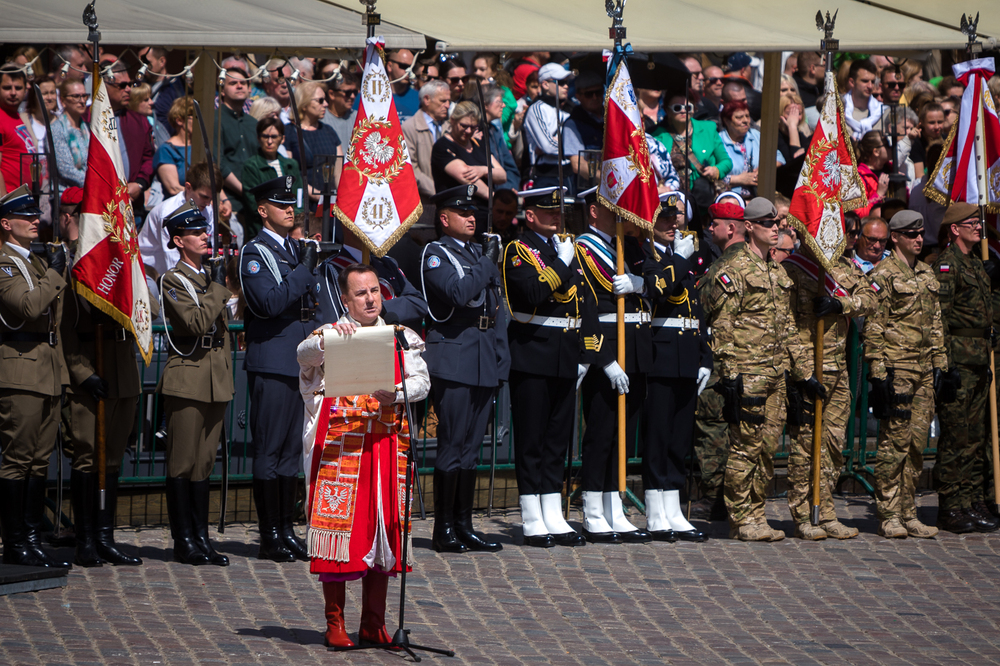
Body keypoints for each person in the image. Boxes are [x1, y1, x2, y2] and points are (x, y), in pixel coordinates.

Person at [298, 262, 429, 649]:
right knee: (340, 537)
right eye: (360, 293)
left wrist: (399, 393)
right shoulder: (331, 334)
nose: (370, 298)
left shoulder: (401, 336)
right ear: (345, 299)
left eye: (374, 291)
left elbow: (422, 382)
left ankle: (373, 622)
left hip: (387, 446)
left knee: (383, 534)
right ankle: (334, 623)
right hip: (344, 449)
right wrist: (325, 341)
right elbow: (304, 355)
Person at [502, 186, 593, 548]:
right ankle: (531, 515)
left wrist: (585, 350)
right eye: (548, 211)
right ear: (530, 215)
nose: (557, 217)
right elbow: (532, 293)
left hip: (564, 351)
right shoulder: (518, 251)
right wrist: (562, 262)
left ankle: (553, 510)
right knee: (532, 439)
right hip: (532, 352)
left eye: (560, 211)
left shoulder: (562, 247)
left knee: (558, 439)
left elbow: (580, 299)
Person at [421, 185, 509, 553]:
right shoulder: (436, 254)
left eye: (474, 212)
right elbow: (457, 294)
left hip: (483, 356)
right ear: (444, 219)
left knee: (472, 448)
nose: (473, 218)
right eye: (463, 212)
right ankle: (444, 528)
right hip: (455, 358)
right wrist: (488, 262)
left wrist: (502, 357)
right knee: (452, 443)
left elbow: (496, 306)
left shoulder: (476, 252)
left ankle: (464, 523)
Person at [702, 197, 793, 542]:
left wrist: (795, 371)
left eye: (778, 225)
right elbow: (722, 325)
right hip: (747, 372)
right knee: (745, 448)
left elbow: (785, 326)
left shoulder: (776, 271)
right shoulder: (733, 270)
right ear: (749, 227)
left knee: (767, 448)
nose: (776, 230)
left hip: (774, 373)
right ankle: (741, 518)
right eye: (769, 225)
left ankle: (757, 513)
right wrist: (730, 374)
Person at [239, 176, 321, 562]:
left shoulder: (294, 250)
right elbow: (270, 301)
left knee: (292, 451)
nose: (291, 209)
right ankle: (269, 533)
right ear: (262, 210)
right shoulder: (255, 252)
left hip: (302, 361)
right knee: (270, 449)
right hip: (273, 360)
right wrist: (304, 270)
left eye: (292, 203)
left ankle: (287, 529)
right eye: (280, 203)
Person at [783, 238, 878, 540]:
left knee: (834, 445)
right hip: (810, 368)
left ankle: (825, 510)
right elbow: (785, 325)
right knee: (805, 446)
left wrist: (842, 304)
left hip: (839, 368)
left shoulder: (845, 267)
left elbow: (871, 299)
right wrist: (802, 373)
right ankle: (802, 514)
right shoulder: (793, 269)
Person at [573, 189, 652, 544]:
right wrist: (604, 359)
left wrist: (641, 284)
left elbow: (656, 280)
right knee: (601, 434)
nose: (622, 213)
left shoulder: (630, 245)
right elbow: (585, 309)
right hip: (607, 349)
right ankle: (591, 509)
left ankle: (613, 506)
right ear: (594, 211)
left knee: (624, 432)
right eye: (612, 207)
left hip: (634, 348)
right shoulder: (583, 249)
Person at [157, 203, 233, 566]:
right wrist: (218, 286)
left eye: (205, 231)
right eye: (196, 232)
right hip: (187, 378)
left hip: (214, 378)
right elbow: (196, 322)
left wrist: (217, 285)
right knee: (182, 462)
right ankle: (182, 538)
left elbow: (225, 325)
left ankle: (201, 536)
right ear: (178, 240)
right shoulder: (173, 280)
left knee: (204, 463)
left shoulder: (207, 279)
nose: (206, 236)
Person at [864, 210, 945, 539]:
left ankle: (909, 511)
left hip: (924, 369)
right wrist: (877, 371)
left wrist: (941, 362)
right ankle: (889, 512)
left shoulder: (926, 273)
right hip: (897, 368)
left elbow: (936, 322)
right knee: (893, 444)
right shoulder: (883, 274)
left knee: (916, 445)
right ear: (894, 237)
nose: (918, 239)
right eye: (910, 234)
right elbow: (874, 324)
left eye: (921, 233)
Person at [0, 185, 69, 568]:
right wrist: (56, 274)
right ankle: (14, 542)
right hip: (20, 368)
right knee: (18, 459)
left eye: (34, 215)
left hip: (46, 369)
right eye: (25, 216)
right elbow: (28, 306)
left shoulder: (36, 263)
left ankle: (30, 537)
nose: (34, 221)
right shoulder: (5, 263)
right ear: (5, 224)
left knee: (39, 460)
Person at [641, 193, 711, 542]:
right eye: (665, 218)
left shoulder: (680, 254)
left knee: (680, 438)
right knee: (658, 436)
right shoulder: (646, 254)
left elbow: (695, 309)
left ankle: (674, 507)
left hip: (686, 353)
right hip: (660, 354)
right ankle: (655, 510)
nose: (673, 224)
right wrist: (681, 260)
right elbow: (658, 290)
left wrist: (706, 356)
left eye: (676, 218)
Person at [931, 203, 1000, 533]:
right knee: (956, 437)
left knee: (975, 437)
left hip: (978, 360)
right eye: (972, 223)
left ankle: (971, 502)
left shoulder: (974, 262)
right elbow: (939, 318)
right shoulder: (948, 265)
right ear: (955, 229)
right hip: (959, 360)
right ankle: (951, 506)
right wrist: (945, 365)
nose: (978, 228)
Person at [689, 199, 745, 521]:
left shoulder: (724, 267)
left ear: (731, 228)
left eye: (715, 223)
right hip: (750, 360)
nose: (710, 228)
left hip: (721, 360)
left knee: (712, 429)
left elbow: (703, 308)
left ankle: (714, 497)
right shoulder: (757, 262)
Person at [138, 162, 221, 277]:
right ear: (188, 187)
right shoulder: (168, 212)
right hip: (150, 271)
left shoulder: (208, 209)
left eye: (211, 199)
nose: (208, 203)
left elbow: (208, 248)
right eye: (204, 197)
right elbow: (172, 258)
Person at [651, 94, 732, 209]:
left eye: (688, 107)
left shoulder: (709, 128)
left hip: (704, 199)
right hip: (673, 201)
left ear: (694, 110)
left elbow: (726, 161)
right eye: (677, 108)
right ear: (667, 111)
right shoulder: (656, 136)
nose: (683, 111)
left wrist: (716, 170)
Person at [430, 101, 505, 221]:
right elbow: (467, 176)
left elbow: (502, 175)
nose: (469, 131)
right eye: (464, 126)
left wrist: (483, 170)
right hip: (457, 214)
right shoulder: (443, 146)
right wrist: (497, 199)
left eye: (473, 127)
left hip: (486, 212)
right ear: (453, 120)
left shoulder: (479, 144)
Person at [239, 117, 304, 239]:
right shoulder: (251, 166)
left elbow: (300, 198)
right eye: (265, 136)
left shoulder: (291, 164)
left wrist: (294, 223)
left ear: (282, 139)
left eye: (274, 137)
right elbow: (253, 204)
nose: (269, 141)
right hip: (263, 232)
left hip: (292, 231)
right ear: (258, 138)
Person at [102, 59, 154, 209]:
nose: (129, 89)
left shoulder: (140, 121)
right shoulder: (88, 119)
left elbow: (148, 157)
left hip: (132, 203)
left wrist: (139, 184)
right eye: (122, 86)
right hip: (100, 202)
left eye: (130, 84)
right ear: (104, 87)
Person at [283, 81, 342, 209]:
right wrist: (317, 196)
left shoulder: (329, 131)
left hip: (330, 204)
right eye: (320, 101)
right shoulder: (289, 132)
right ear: (304, 104)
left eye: (325, 100)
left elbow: (339, 170)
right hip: (303, 204)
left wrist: (339, 198)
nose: (326, 104)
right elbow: (289, 172)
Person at [402, 80, 451, 228]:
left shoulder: (451, 127)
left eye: (449, 101)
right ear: (426, 100)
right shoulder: (409, 128)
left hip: (449, 203)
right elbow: (411, 168)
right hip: (424, 204)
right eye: (443, 101)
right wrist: (439, 192)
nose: (448, 105)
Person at [523, 63, 574, 191]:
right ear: (545, 85)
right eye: (561, 82)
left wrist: (560, 142)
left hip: (570, 174)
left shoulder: (569, 110)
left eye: (567, 82)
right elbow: (548, 146)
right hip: (546, 175)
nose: (566, 86)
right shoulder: (536, 109)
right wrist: (571, 147)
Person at [215, 67, 258, 217]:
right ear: (222, 91)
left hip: (254, 203)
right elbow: (217, 163)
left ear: (249, 88)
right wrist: (244, 189)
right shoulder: (216, 119)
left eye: (243, 83)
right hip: (229, 203)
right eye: (233, 83)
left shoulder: (253, 123)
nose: (239, 86)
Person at [718, 100, 783, 199]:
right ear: (727, 121)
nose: (745, 120)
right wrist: (737, 179)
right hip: (730, 198)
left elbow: (779, 158)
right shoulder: (718, 141)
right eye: (739, 117)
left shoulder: (755, 135)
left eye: (747, 116)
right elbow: (711, 175)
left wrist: (764, 168)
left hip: (759, 195)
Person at [50, 79, 90, 190]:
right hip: (68, 194)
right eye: (76, 96)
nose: (82, 101)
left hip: (90, 192)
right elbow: (66, 169)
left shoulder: (88, 128)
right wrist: (94, 183)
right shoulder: (57, 129)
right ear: (63, 101)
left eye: (84, 96)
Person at [0, 66, 34, 193]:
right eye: (7, 88)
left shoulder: (16, 115)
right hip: (10, 202)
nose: (13, 92)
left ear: (26, 90)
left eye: (18, 88)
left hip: (26, 198)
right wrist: (4, 204)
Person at [153, 96, 195, 198]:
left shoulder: (203, 147)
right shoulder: (166, 150)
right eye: (194, 116)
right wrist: (202, 196)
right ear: (180, 120)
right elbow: (174, 188)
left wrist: (224, 201)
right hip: (180, 207)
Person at [843, 59, 884, 141]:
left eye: (872, 81)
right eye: (865, 81)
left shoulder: (882, 112)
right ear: (852, 82)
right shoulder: (839, 110)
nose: (870, 86)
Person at [855, 131, 890, 219]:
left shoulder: (890, 169)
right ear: (876, 152)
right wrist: (878, 194)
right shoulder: (860, 177)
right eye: (887, 144)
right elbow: (859, 214)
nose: (892, 147)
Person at [321, 71, 359, 148]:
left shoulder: (359, 119)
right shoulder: (321, 120)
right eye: (347, 92)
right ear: (332, 94)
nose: (352, 96)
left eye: (355, 92)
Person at [911, 103, 945, 180]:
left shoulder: (947, 139)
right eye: (932, 123)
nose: (937, 127)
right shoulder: (916, 143)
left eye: (940, 122)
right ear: (922, 122)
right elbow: (920, 176)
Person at [385, 49, 420, 122]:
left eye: (411, 67)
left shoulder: (419, 99)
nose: (408, 71)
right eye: (403, 66)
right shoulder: (370, 97)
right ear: (389, 66)